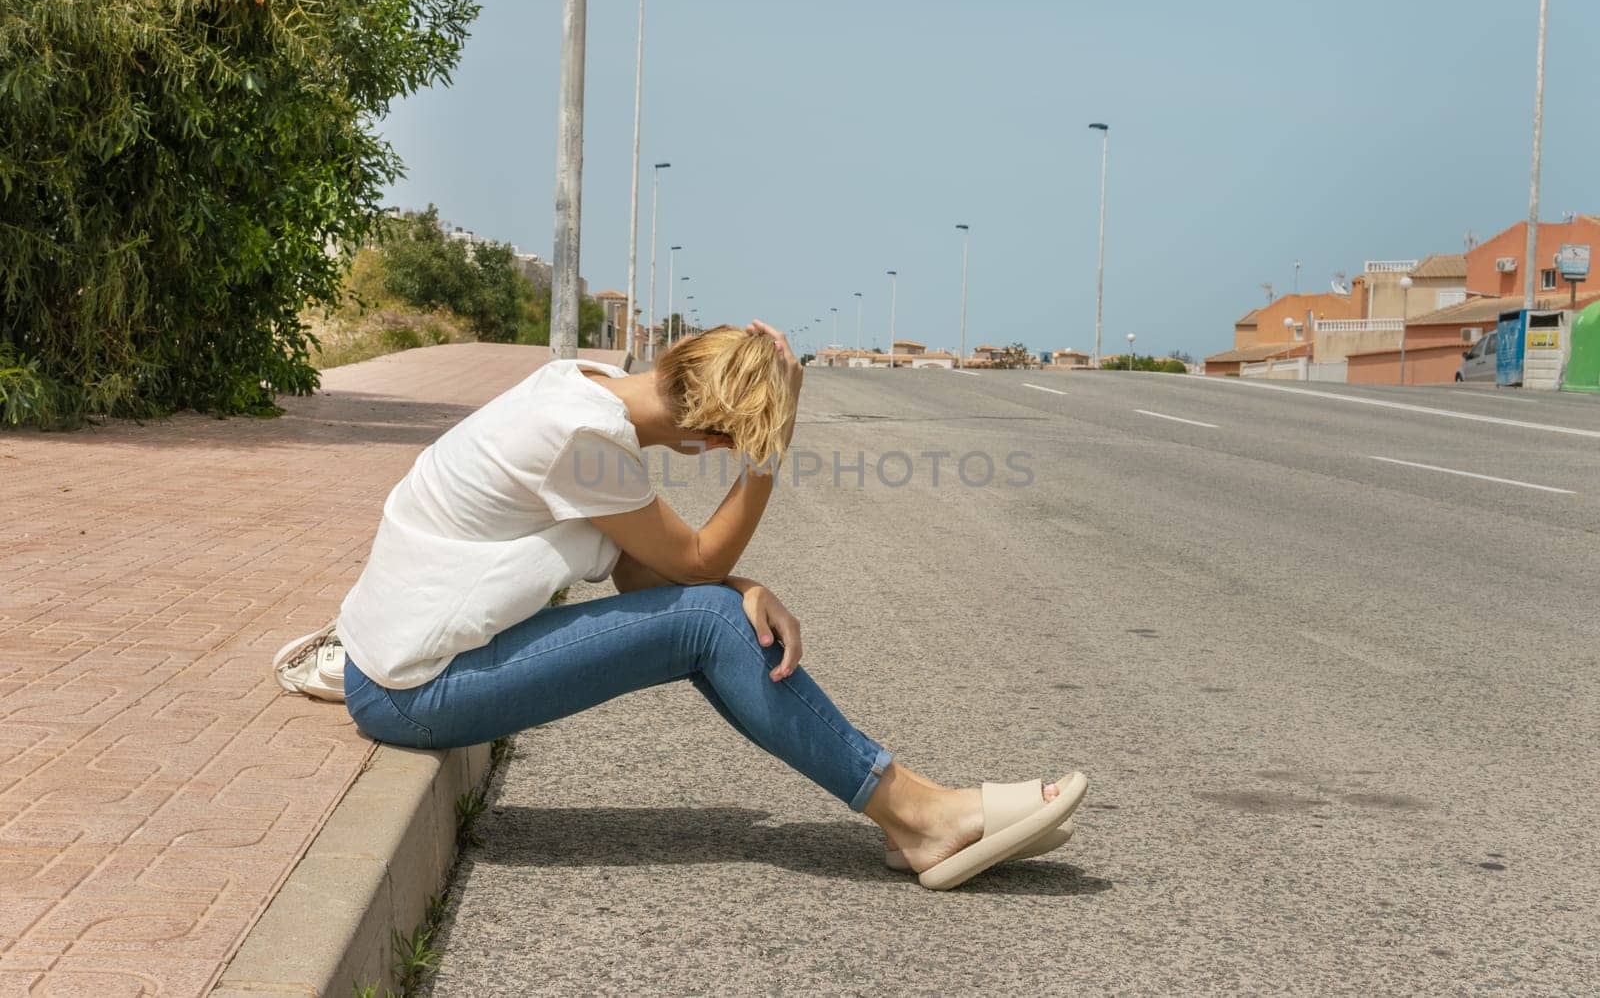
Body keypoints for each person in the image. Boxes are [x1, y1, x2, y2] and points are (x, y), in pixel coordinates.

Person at [289, 321, 1085, 890]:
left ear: (675, 353)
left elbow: (647, 579)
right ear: (713, 441)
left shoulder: (576, 389)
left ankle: (911, 814)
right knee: (709, 622)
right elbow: (694, 569)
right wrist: (769, 459)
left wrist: (736, 587)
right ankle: (919, 814)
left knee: (711, 614)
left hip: (399, 661)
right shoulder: (584, 441)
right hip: (410, 691)